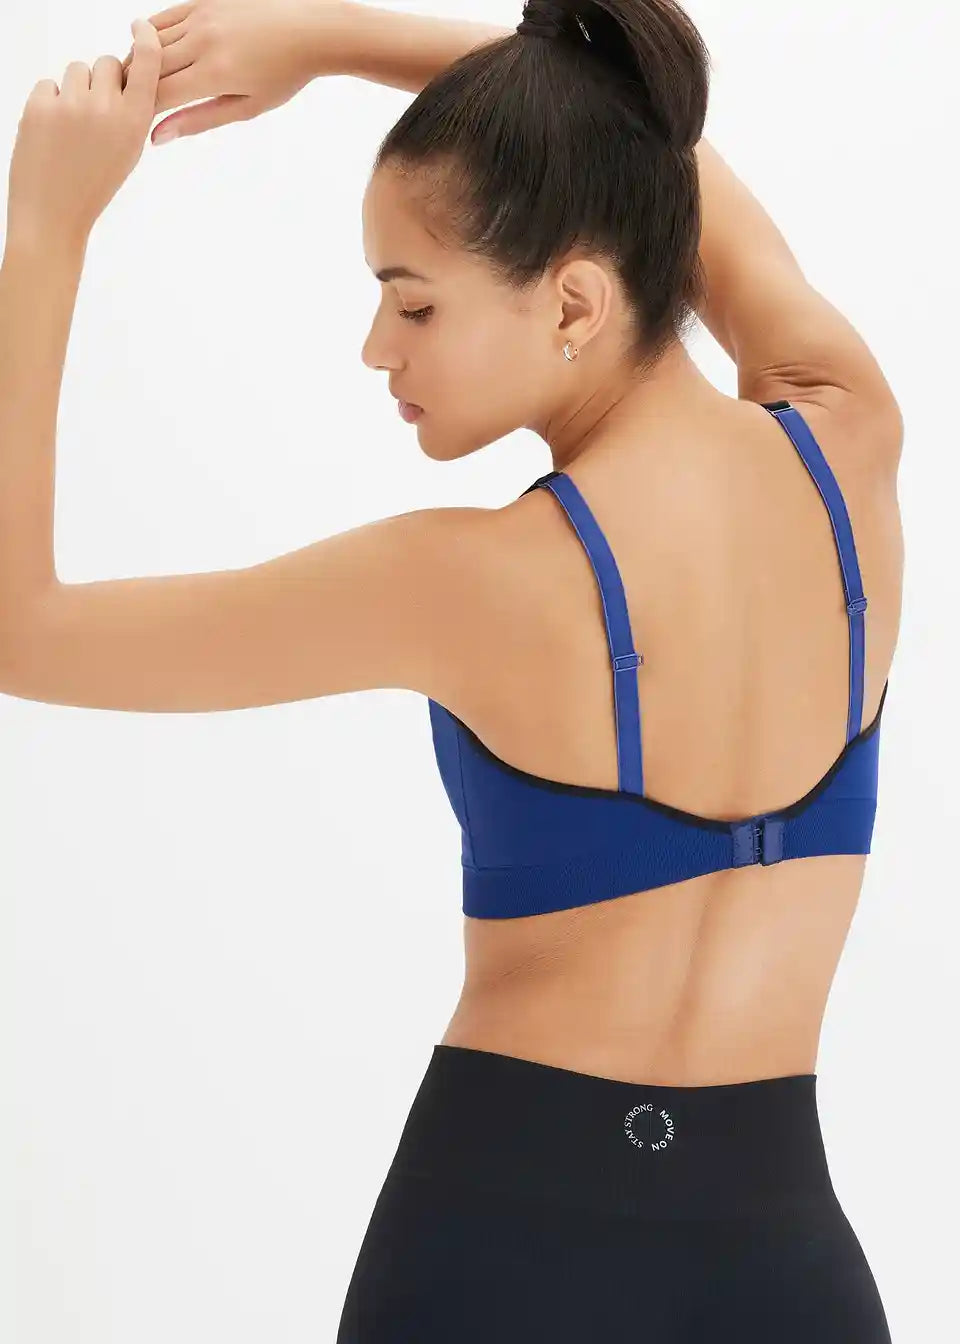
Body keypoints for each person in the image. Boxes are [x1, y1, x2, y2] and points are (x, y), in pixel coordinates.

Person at [1, 2, 904, 1339]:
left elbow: (22, 632)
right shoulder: (850, 437)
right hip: (785, 1270)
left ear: (574, 302)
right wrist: (338, 39)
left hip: (508, 1246)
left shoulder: (470, 582)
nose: (380, 349)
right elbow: (647, 153)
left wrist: (47, 230)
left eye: (413, 302)